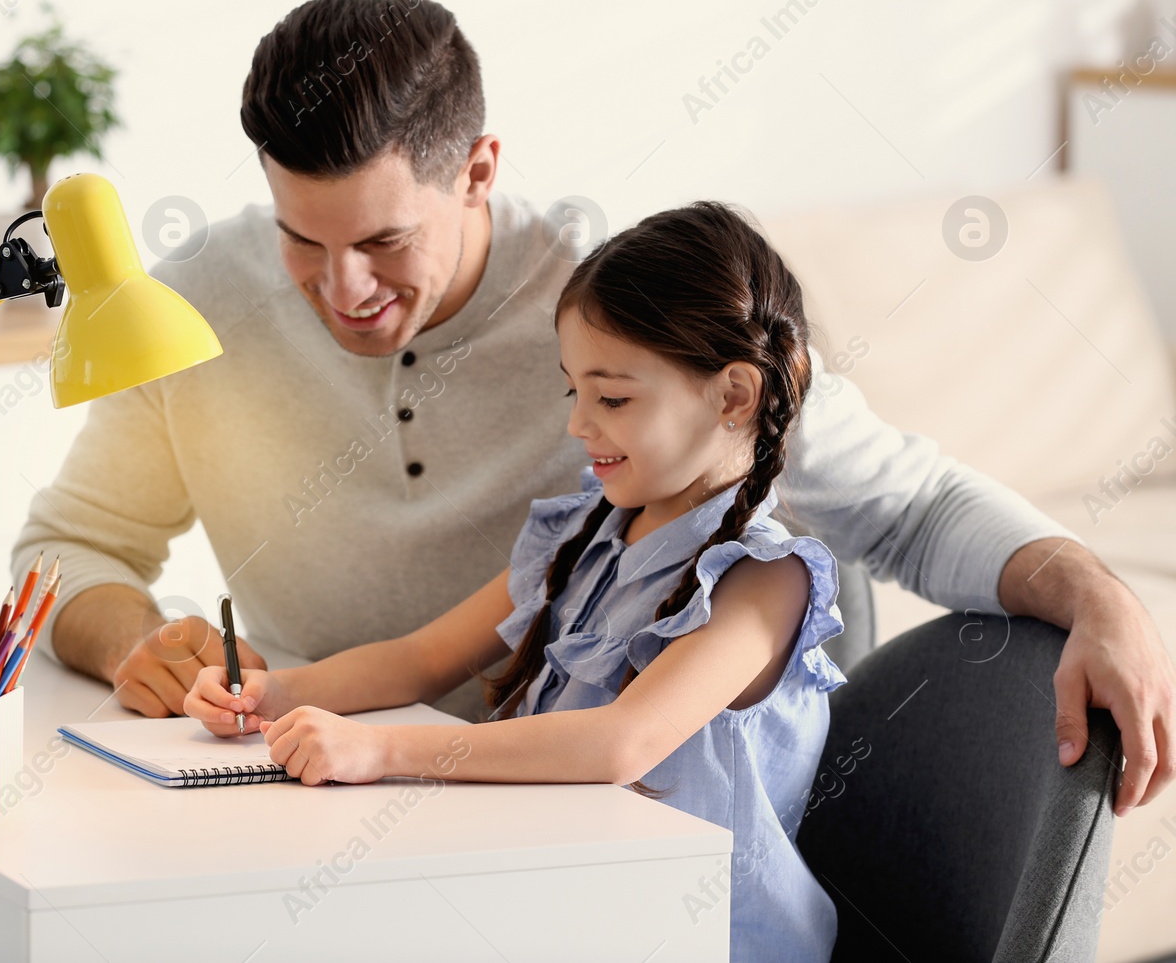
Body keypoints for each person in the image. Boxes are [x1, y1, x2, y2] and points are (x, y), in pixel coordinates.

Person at [11, 0, 1175, 815]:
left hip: (556, 818)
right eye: (299, 240)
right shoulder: (195, 301)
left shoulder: (624, 314)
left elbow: (909, 506)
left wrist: (1099, 597)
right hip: (321, 791)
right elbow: (71, 544)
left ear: (476, 169)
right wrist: (135, 645)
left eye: (382, 240)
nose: (342, 290)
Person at [187, 202, 843, 960]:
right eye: (575, 393)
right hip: (557, 910)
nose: (578, 425)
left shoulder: (766, 582)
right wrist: (280, 694)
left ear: (732, 396)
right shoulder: (585, 533)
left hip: (696, 941)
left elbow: (620, 742)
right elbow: (421, 657)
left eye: (614, 398)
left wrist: (378, 749)